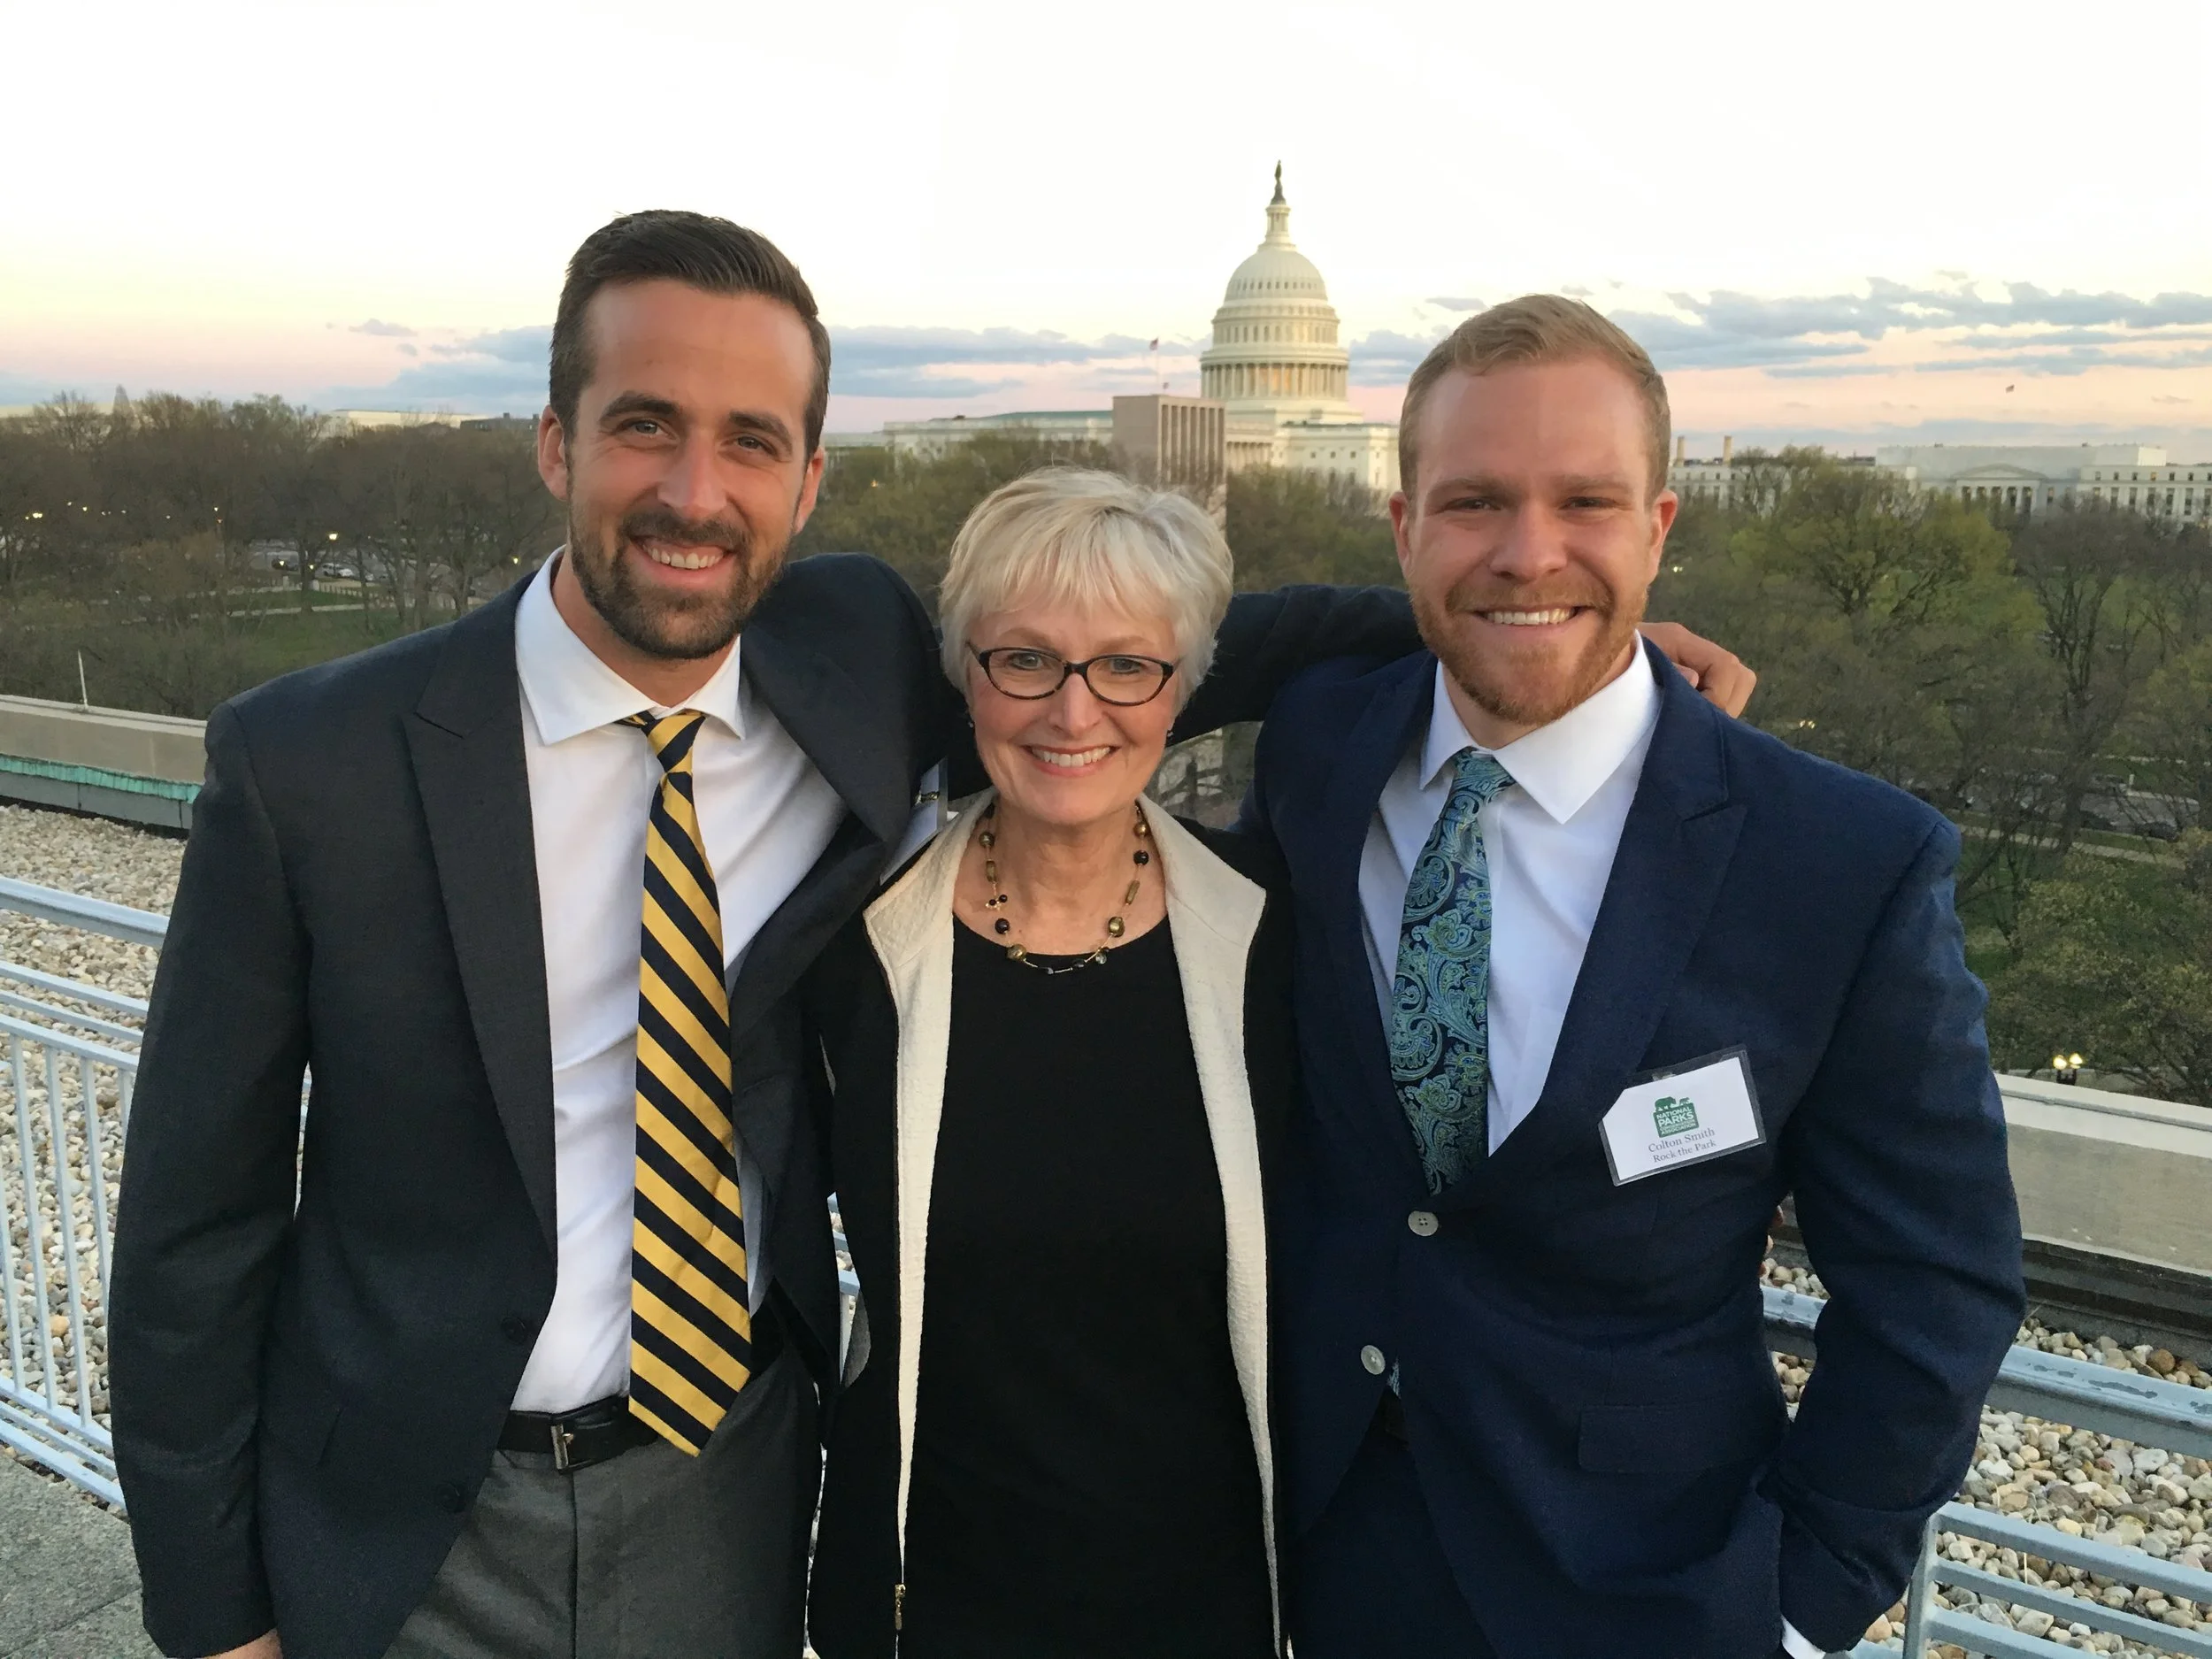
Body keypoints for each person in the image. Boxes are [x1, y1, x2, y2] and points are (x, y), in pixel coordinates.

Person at [111, 212, 1680, 1659]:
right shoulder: (312, 758)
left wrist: (1559, 637)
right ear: (554, 442)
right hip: (403, 1515)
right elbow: (195, 1217)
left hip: (721, 1482)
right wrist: (215, 1607)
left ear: (805, 486)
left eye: (752, 444)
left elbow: (1161, 638)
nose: (691, 492)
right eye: (642, 424)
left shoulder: (846, 661)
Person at [1243, 296, 2025, 1659]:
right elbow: (1118, 658)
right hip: (1315, 1555)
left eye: (1586, 504)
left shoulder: (1840, 863)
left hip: (1655, 1589)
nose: (1528, 550)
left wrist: (1803, 1602)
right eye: (1474, 502)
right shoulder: (1315, 744)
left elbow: (1934, 1282)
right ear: (1403, 528)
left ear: (1661, 528)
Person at [803, 471, 1296, 1659]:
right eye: (1024, 660)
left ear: (1182, 691)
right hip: (932, 1606)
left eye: (1127, 665)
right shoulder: (853, 943)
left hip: (1208, 1607)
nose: (1073, 712)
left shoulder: (1280, 943)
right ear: (966, 675)